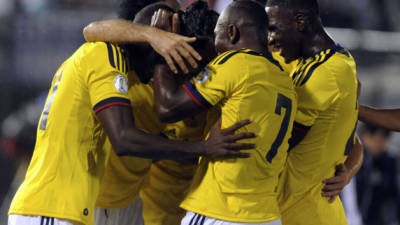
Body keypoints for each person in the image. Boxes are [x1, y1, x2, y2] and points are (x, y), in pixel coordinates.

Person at [7, 3, 256, 225]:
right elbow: (124, 138)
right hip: (52, 206)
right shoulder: (104, 56)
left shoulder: (131, 73)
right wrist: (204, 148)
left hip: (92, 206)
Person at [151, 1, 297, 224]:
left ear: (231, 31)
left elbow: (167, 108)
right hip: (266, 213)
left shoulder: (235, 62)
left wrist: (162, 47)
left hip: (221, 209)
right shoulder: (285, 82)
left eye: (217, 32)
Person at [88, 2, 220, 225]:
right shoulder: (130, 82)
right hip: (101, 204)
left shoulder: (219, 85)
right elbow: (91, 30)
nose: (177, 14)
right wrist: (151, 35)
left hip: (150, 208)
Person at [265, 0, 362, 224]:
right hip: (310, 209)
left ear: (299, 22)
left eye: (273, 28)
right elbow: (349, 138)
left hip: (302, 212)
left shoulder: (323, 74)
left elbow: (276, 144)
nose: (270, 39)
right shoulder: (339, 61)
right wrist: (347, 170)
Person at [356, 124, 400, 225]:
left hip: (383, 218)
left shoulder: (389, 160)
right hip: (358, 218)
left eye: (384, 139)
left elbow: (393, 193)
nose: (382, 144)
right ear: (366, 137)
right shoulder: (355, 161)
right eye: (378, 140)